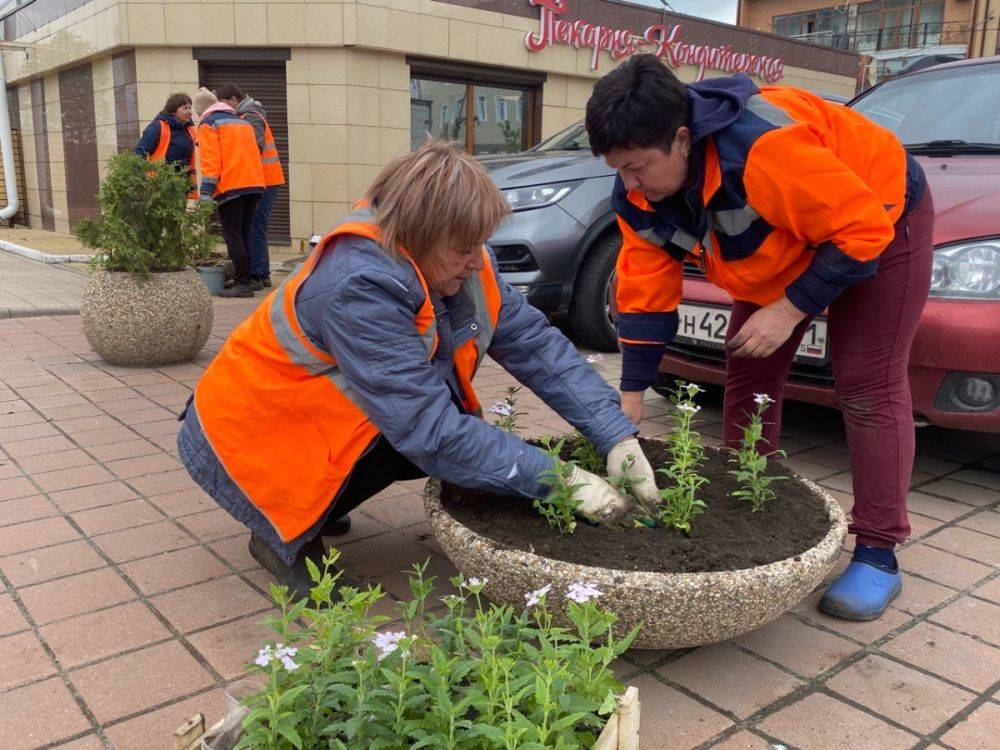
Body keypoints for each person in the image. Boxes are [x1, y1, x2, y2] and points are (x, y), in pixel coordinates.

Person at [177, 141, 660, 597]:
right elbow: (429, 431)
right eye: (465, 249)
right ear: (418, 236)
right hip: (244, 435)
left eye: (481, 243)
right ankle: (281, 534)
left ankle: (321, 504)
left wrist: (614, 435)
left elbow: (534, 345)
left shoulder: (462, 256)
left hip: (300, 420)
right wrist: (563, 481)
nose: (479, 262)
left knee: (444, 430)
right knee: (429, 436)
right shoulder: (358, 285)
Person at [585, 55, 932, 621]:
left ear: (681, 139)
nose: (630, 183)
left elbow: (862, 227)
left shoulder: (765, 151)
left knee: (866, 383)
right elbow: (646, 290)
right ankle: (755, 496)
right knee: (746, 366)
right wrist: (630, 396)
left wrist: (791, 308)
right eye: (618, 168)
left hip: (880, 218)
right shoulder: (638, 192)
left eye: (639, 166)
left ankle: (878, 550)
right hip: (785, 242)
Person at [216, 84, 285, 291]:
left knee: (255, 228)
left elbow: (255, 146)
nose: (222, 108)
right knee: (254, 228)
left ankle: (257, 274)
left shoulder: (251, 117)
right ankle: (260, 274)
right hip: (261, 180)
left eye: (224, 103)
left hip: (265, 180)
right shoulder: (247, 116)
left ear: (233, 100)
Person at [197, 90, 266, 298]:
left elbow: (211, 161)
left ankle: (243, 284)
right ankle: (247, 279)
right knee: (245, 235)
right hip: (254, 184)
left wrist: (206, 193)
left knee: (233, 237)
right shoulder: (242, 121)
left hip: (231, 187)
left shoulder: (209, 124)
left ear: (201, 109)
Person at [134, 93, 197, 198]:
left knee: (183, 213)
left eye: (190, 108)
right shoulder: (157, 127)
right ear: (173, 111)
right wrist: (143, 181)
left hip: (183, 186)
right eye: (185, 108)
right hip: (159, 186)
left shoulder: (190, 130)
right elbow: (139, 153)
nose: (190, 112)